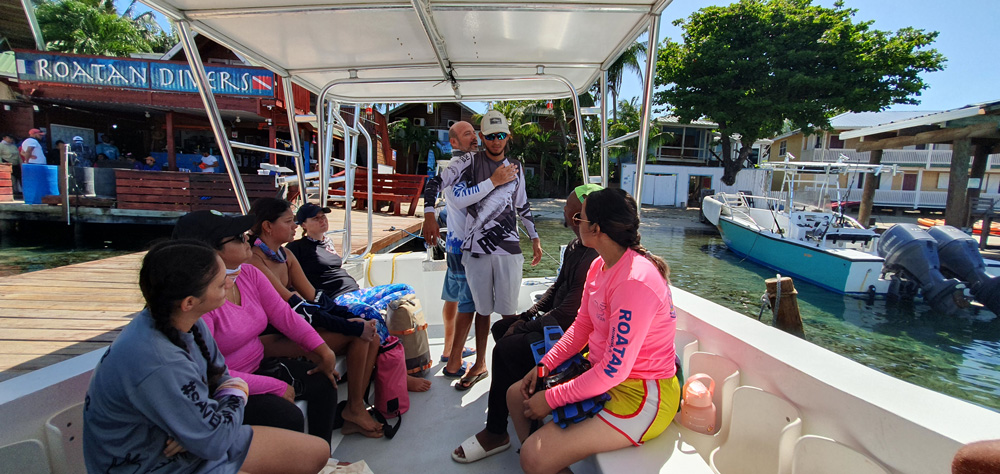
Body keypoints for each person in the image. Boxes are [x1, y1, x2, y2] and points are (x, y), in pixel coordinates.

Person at [83, 240, 329, 474]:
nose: (230, 285)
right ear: (189, 302)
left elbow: (221, 378)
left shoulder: (188, 322)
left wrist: (197, 429)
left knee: (317, 452)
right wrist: (233, 395)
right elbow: (215, 436)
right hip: (157, 462)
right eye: (221, 284)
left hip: (200, 439)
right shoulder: (159, 361)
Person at [507, 188, 679, 474]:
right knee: (516, 396)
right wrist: (544, 366)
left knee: (533, 458)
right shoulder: (599, 265)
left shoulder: (634, 281)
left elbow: (614, 370)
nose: (574, 223)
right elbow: (582, 326)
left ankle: (543, 459)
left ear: (596, 228)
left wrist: (550, 399)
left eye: (580, 218)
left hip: (640, 395)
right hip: (602, 374)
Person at [173, 210, 384, 441]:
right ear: (208, 251)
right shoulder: (199, 302)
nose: (247, 238)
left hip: (258, 364)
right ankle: (308, 455)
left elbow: (286, 316)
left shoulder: (248, 274)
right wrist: (273, 385)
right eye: (238, 237)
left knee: (325, 383)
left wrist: (323, 351)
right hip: (226, 387)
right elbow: (208, 373)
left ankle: (322, 454)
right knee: (287, 415)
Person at [452, 184, 602, 464]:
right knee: (501, 329)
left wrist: (523, 327)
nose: (568, 218)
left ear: (588, 218)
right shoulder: (575, 247)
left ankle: (497, 431)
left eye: (573, 214)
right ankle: (525, 391)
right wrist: (526, 316)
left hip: (570, 335)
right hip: (556, 325)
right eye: (568, 212)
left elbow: (568, 314)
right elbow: (556, 288)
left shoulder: (594, 256)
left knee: (504, 349)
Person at [256, 198, 431, 393]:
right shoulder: (265, 259)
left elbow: (314, 297)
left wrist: (348, 318)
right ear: (267, 226)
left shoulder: (285, 255)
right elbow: (299, 307)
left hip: (301, 321)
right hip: (276, 334)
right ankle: (390, 377)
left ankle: (357, 404)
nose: (294, 226)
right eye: (289, 221)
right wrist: (350, 323)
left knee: (374, 327)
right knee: (363, 331)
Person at [422, 109, 542, 391]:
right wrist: (428, 214)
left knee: (509, 313)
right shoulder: (468, 161)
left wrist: (535, 237)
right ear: (482, 137)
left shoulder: (516, 166)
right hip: (475, 249)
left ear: (508, 136)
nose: (495, 141)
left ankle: (510, 364)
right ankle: (479, 363)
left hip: (508, 249)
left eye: (501, 135)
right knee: (482, 310)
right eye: (489, 136)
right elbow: (436, 183)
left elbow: (522, 205)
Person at [423, 120, 479, 377]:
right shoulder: (458, 165)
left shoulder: (471, 163)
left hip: (456, 245)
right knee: (466, 302)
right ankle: (453, 359)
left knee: (453, 297)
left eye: (474, 132)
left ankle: (448, 350)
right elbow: (433, 184)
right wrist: (429, 215)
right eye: (467, 134)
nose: (474, 137)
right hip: (463, 246)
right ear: (454, 142)